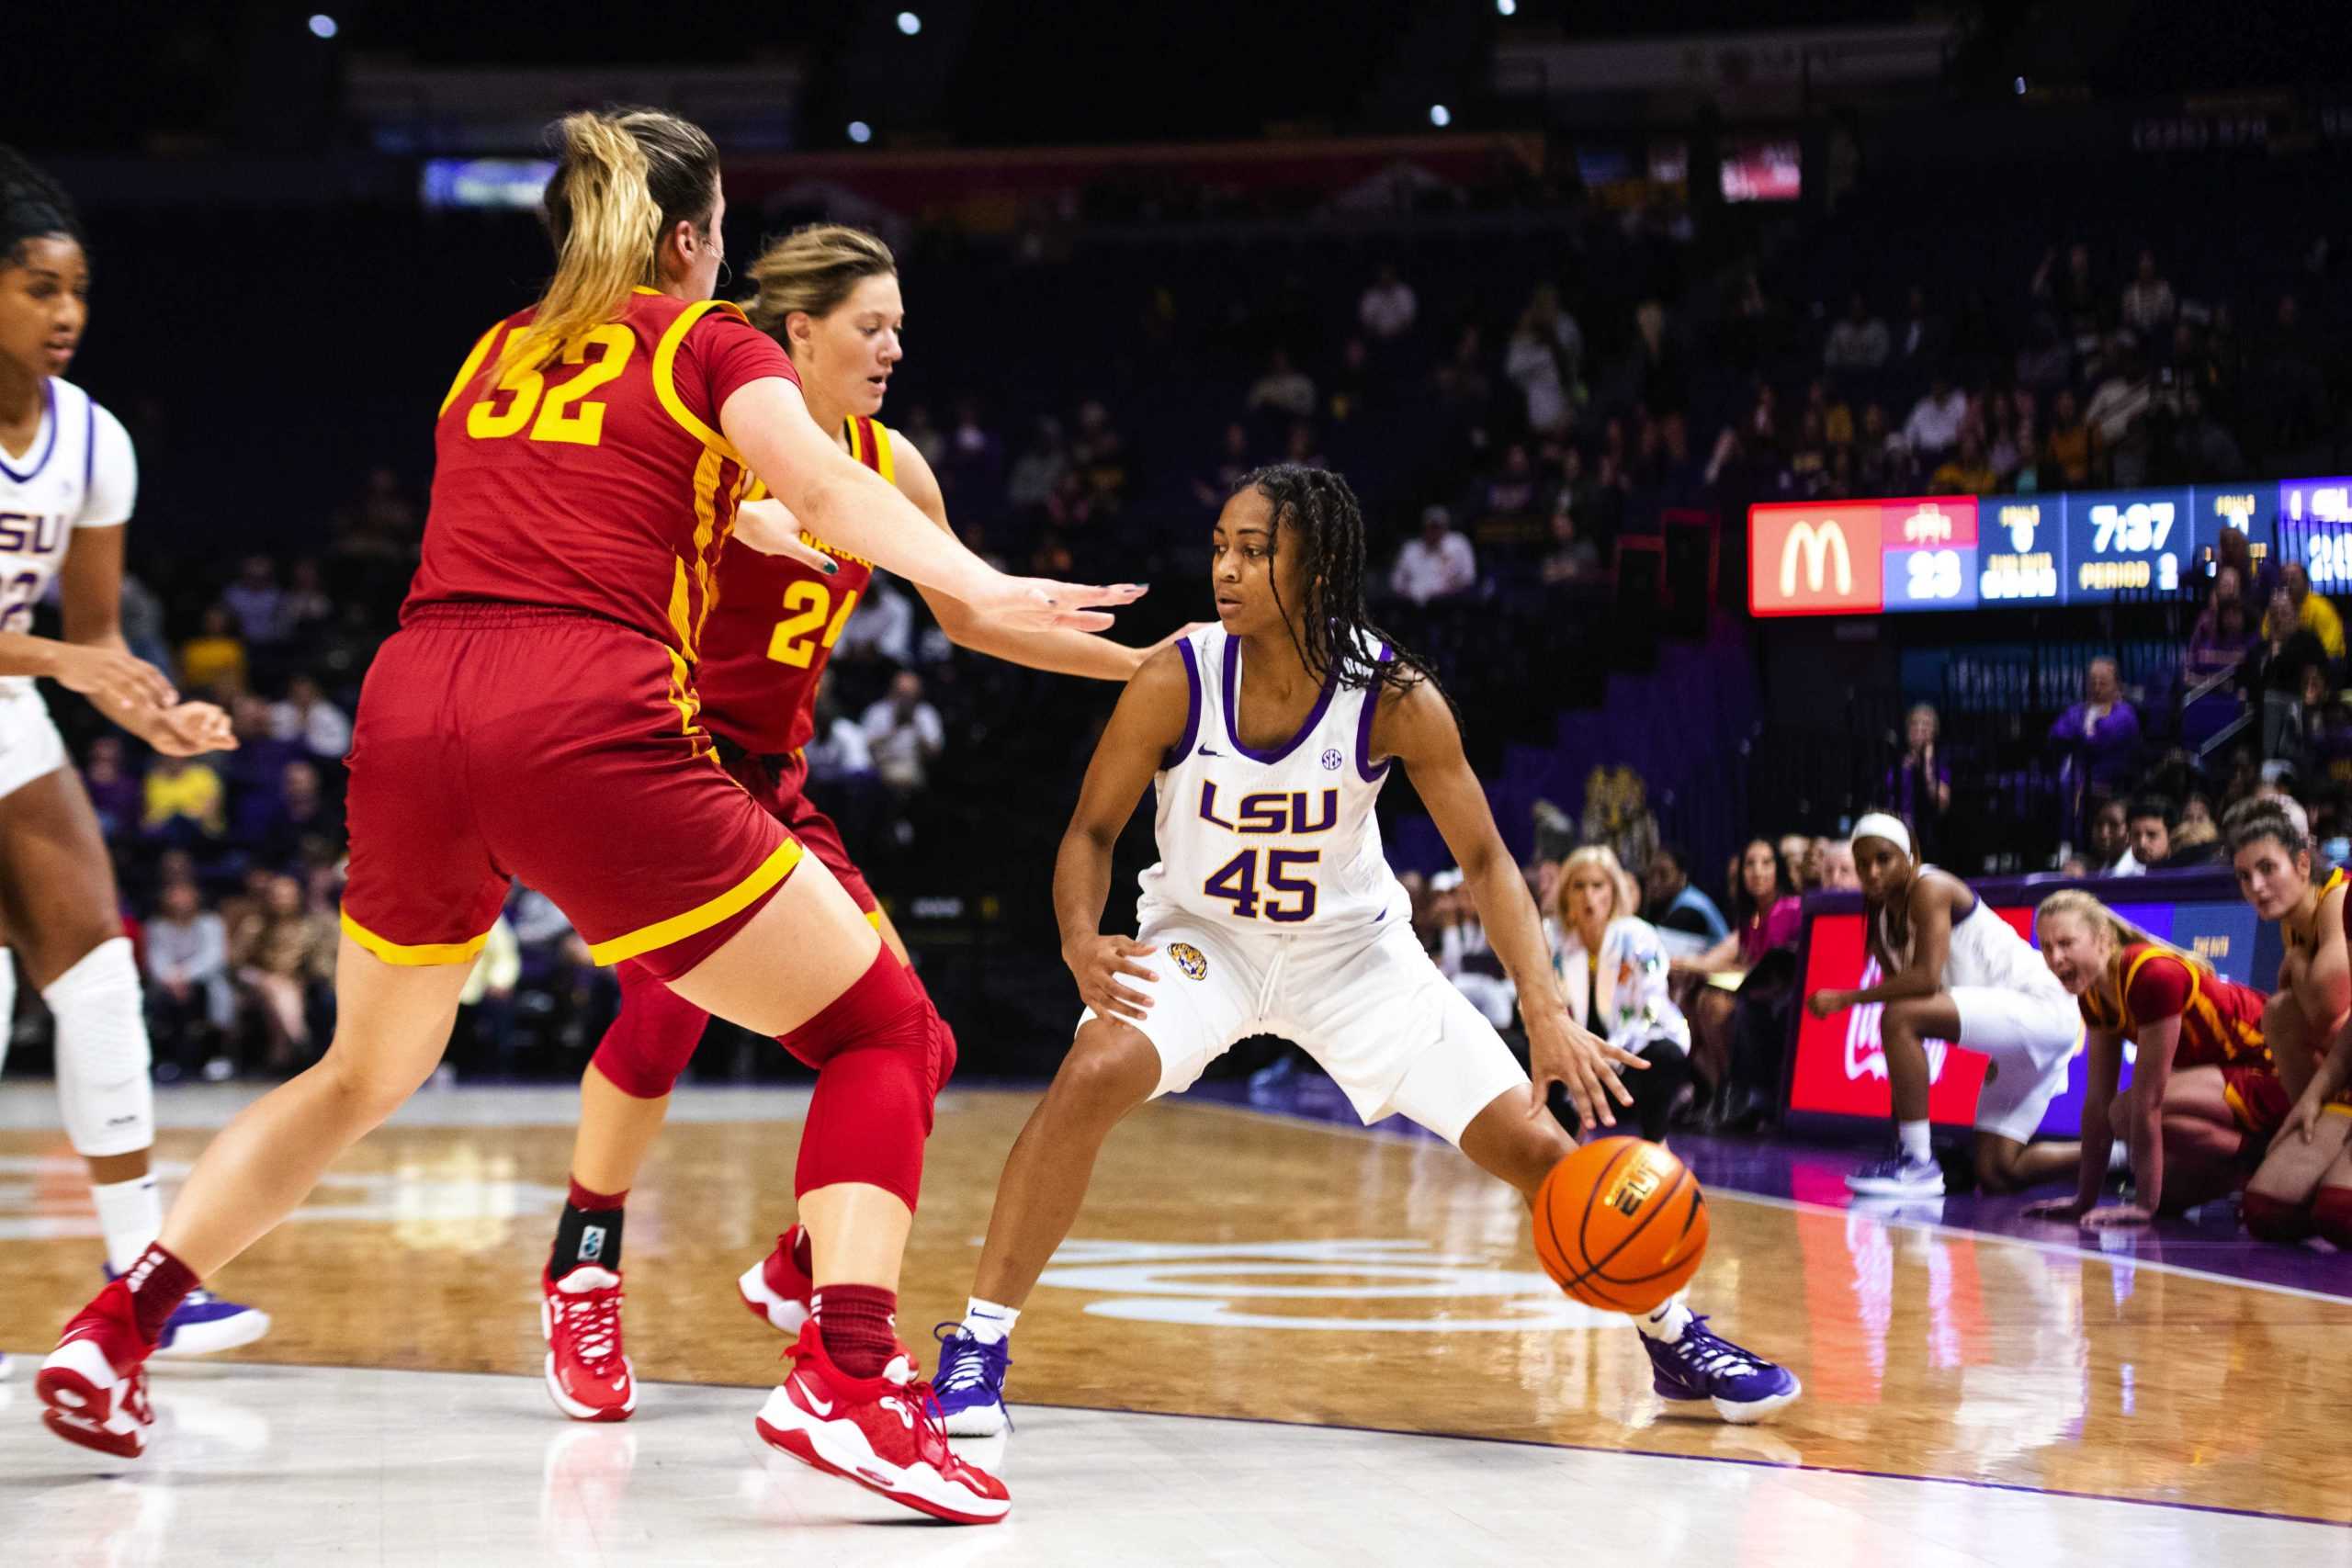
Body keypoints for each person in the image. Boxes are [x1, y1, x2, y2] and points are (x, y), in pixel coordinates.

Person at [36, 110, 1133, 1523]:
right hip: (581, 711)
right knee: (888, 1030)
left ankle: (117, 1322)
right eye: (722, 228)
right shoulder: (708, 342)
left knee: (362, 1072)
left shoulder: (496, 348)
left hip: (414, 702)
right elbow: (820, 478)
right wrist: (974, 580)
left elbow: (626, 496)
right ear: (692, 241)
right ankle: (848, 1376)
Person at [927, 466, 1797, 1441]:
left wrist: (1545, 1009)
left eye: (1254, 551)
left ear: (1318, 564)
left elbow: (1485, 860)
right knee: (1089, 1074)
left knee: (1536, 1148)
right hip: (1202, 942)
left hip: (1353, 957)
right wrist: (1080, 941)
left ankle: (1674, 1334)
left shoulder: (1393, 696)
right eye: (1220, 546)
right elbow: (1090, 833)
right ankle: (979, 1343)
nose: (1226, 567)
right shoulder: (1177, 676)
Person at [537, 221, 1182, 1428]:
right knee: (665, 1011)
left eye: (899, 324)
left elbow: (976, 618)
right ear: (797, 333)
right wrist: (748, 520)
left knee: (918, 1042)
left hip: (769, 779)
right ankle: (583, 1260)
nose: (893, 345)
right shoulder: (710, 423)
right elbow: (646, 518)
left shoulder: (893, 462)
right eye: (870, 325)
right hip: (656, 761)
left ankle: (801, 1267)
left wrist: (1150, 668)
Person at [0, 147, 266, 1383]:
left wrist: (157, 711)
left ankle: (138, 1274)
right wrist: (63, 662)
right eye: (39, 287)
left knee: (101, 978)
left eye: (79, 292)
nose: (65, 314)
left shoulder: (94, 438)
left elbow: (95, 636)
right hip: (18, 685)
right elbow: (60, 649)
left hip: (10, 710)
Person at [1806, 815, 2083, 1198]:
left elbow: (1924, 981)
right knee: (1997, 1171)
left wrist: (1845, 998)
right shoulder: (1882, 920)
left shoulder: (1931, 887)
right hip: (2015, 1030)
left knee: (1900, 1017)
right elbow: (1899, 1020)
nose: (1871, 871)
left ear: (1911, 856)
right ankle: (2124, 1157)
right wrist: (1900, 1139)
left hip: (2042, 1006)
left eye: (1883, 859)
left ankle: (1919, 1165)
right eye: (1863, 863)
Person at [2026, 891, 2282, 1227]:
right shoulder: (2093, 994)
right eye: (2046, 947)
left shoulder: (2151, 974)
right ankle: (2250, 1170)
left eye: (2066, 944)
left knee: (2128, 1113)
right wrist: (2083, 1201)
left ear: (2103, 940)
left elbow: (2149, 1102)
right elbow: (2096, 1102)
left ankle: (2263, 1156)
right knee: (2170, 1191)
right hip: (2230, 1081)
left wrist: (2144, 1207)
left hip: (2275, 1072)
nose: (2055, 958)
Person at [2221, 801, 2352, 1246]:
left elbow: (2329, 1010)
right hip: (2341, 1078)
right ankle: (2315, 1135)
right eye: (2244, 876)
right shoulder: (2293, 920)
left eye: (2266, 869)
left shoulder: (2337, 898)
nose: (2256, 887)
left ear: (2301, 863)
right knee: (2267, 1212)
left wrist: (2296, 963)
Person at [1552, 847, 1690, 1142]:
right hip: (1576, 1057)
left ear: (1613, 892)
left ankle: (1656, 1145)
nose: (1589, 896)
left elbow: (1651, 1009)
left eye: (1597, 885)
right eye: (1579, 886)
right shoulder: (1555, 942)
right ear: (1566, 895)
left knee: (1665, 1055)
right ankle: (1555, 1151)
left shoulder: (1637, 936)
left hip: (1632, 1048)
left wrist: (1605, 1059)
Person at [1885, 704, 1951, 860]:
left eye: (1926, 724)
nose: (1919, 728)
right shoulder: (1896, 762)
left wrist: (1927, 763)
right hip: (1896, 833)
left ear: (1934, 732)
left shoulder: (1940, 765)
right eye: (1914, 723)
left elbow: (1941, 803)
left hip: (1926, 838)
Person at [1641, 841, 1730, 953]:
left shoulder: (1690, 909)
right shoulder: (1673, 903)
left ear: (1682, 877)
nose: (1655, 882)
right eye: (1650, 874)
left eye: (1664, 875)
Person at [1388, 503, 1476, 604]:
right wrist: (1408, 595)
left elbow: (1468, 578)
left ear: (1446, 527)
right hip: (1411, 604)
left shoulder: (1458, 544)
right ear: (1424, 527)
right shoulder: (1410, 548)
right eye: (1431, 527)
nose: (1434, 531)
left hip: (1448, 603)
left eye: (1438, 527)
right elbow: (1396, 582)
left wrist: (1449, 590)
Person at [2088, 797, 2141, 877]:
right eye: (2099, 824)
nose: (2104, 834)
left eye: (2114, 825)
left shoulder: (2139, 873)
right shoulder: (2095, 871)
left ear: (2130, 830)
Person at [2125, 795, 2177, 871]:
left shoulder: (2188, 877)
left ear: (2171, 835)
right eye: (2136, 835)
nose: (2142, 843)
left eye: (2152, 835)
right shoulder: (2123, 877)